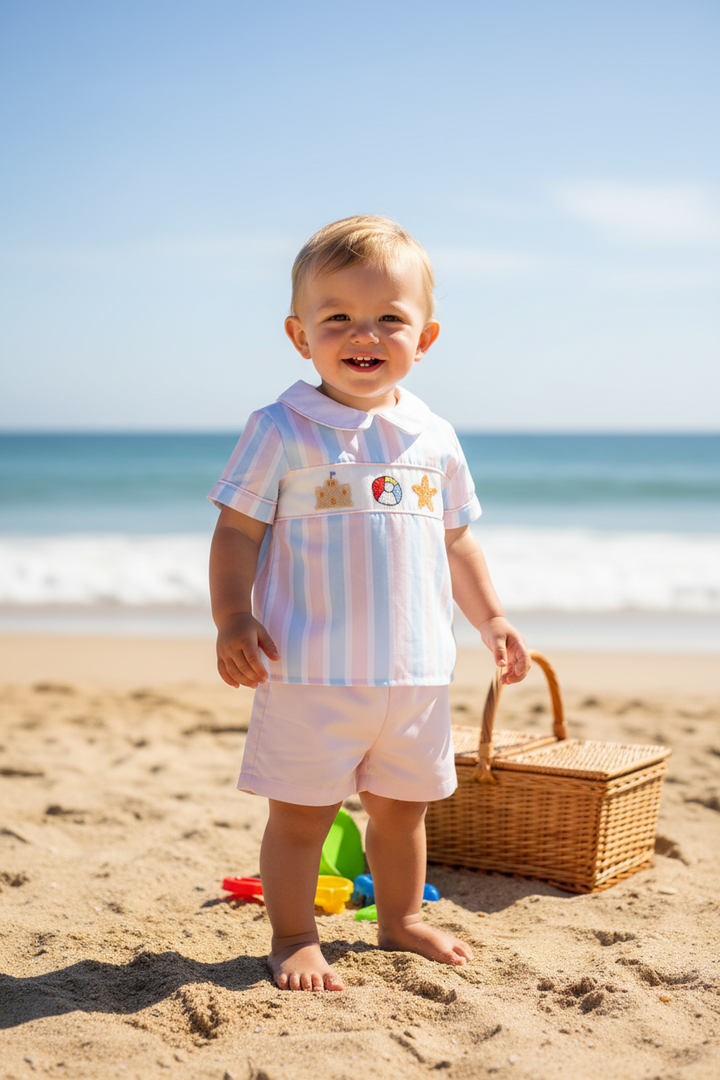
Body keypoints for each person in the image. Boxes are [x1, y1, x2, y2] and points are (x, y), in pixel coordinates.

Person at [208, 215, 530, 993]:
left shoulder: (433, 435)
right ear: (299, 334)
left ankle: (401, 919)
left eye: (390, 318)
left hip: (416, 673)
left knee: (402, 811)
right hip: (311, 669)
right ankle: (292, 935)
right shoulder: (282, 428)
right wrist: (233, 617)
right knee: (302, 817)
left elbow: (457, 541)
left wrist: (490, 617)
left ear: (427, 337)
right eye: (339, 318)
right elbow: (237, 531)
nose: (366, 334)